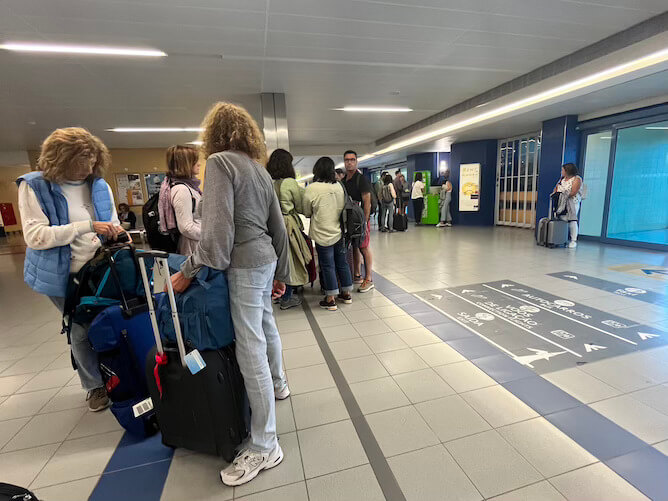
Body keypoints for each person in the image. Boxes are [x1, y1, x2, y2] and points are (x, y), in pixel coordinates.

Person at [169, 102, 290, 487]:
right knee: (265, 327)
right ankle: (279, 383)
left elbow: (217, 240)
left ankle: (266, 443)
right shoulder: (258, 169)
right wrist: (282, 272)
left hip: (243, 264)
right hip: (266, 259)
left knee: (248, 346)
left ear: (214, 135)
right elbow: (279, 228)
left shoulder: (219, 163)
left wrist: (187, 272)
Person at [17, 127, 125, 412]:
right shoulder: (34, 186)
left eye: (91, 162)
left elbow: (111, 220)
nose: (86, 170)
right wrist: (86, 226)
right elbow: (36, 236)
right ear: (59, 160)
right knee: (80, 327)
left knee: (107, 321)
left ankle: (116, 374)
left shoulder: (98, 185)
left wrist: (116, 232)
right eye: (79, 164)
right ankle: (94, 386)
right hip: (61, 274)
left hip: (99, 268)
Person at [303, 157, 353, 310]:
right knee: (342, 262)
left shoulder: (312, 188)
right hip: (339, 231)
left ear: (317, 170)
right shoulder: (338, 185)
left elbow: (306, 212)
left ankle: (330, 299)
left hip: (322, 232)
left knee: (327, 265)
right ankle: (346, 293)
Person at [266, 148, 309, 310]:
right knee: (289, 260)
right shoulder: (290, 183)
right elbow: (299, 205)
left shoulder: (267, 181)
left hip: (270, 224)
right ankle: (287, 297)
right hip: (287, 223)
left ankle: (276, 292)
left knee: (276, 259)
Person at [159, 145, 202, 255]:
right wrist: (212, 236)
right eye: (195, 160)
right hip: (193, 249)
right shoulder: (181, 189)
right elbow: (186, 228)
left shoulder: (190, 188)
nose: (199, 163)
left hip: (197, 245)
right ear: (186, 163)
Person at [343, 150, 374, 293]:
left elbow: (367, 200)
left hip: (361, 220)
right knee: (354, 246)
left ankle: (369, 278)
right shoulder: (344, 181)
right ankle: (357, 274)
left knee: (363, 247)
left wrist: (365, 222)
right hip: (350, 220)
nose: (349, 162)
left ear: (356, 162)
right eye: (347, 160)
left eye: (352, 160)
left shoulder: (361, 179)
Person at [553, 163, 583, 248]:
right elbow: (556, 188)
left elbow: (573, 192)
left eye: (563, 170)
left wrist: (563, 193)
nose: (561, 172)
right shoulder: (562, 179)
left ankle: (573, 240)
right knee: (561, 218)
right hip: (561, 202)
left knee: (572, 220)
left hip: (572, 203)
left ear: (568, 170)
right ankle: (562, 238)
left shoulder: (577, 179)